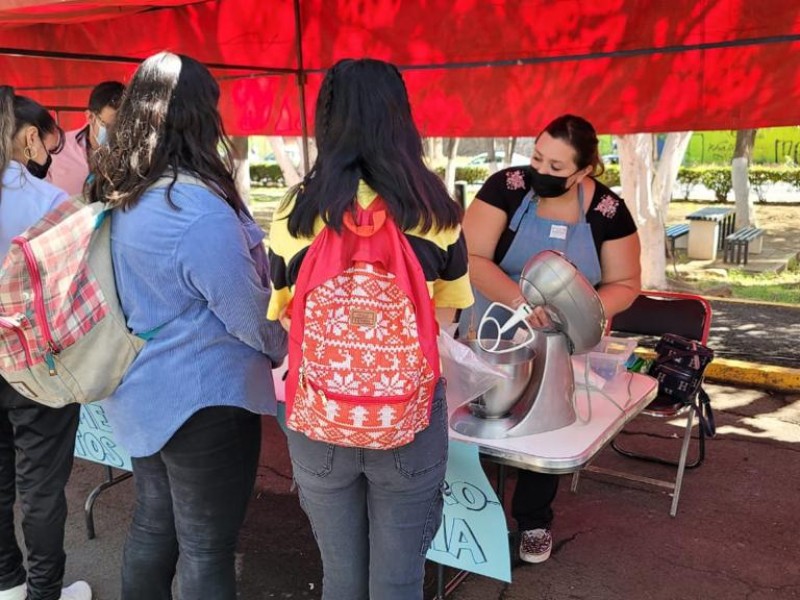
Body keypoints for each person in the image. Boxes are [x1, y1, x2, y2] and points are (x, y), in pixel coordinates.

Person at [268, 58, 473, 600]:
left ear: (326, 119)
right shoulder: (436, 210)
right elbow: (448, 316)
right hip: (408, 415)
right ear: (400, 119)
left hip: (319, 416)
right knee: (398, 579)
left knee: (341, 577)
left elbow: (285, 310)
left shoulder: (296, 211)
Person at [87, 52, 287, 600]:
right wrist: (283, 347)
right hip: (204, 400)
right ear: (199, 115)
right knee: (205, 549)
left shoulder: (123, 190)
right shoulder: (195, 208)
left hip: (142, 392)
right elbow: (248, 312)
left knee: (156, 525)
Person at [459, 114, 641, 564]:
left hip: (562, 338)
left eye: (557, 167)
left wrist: (580, 305)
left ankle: (533, 520)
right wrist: (524, 299)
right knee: (477, 424)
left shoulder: (608, 213)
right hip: (494, 330)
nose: (542, 170)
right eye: (538, 157)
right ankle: (467, 517)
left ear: (584, 171)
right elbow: (473, 256)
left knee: (544, 428)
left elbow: (626, 282)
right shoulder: (508, 187)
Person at [0, 87, 92, 600]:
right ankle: (45, 591)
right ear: (29, 136)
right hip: (35, 362)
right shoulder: (51, 202)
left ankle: (8, 583)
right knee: (40, 483)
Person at [48, 80, 124, 195]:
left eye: (122, 128)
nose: (115, 134)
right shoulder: (58, 149)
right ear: (90, 117)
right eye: (109, 127)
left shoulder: (133, 154)